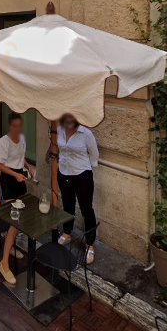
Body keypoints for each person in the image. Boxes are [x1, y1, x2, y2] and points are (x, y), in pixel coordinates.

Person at [52, 113, 99, 265]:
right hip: (64, 173)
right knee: (68, 206)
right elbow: (57, 149)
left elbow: (94, 155)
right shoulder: (58, 129)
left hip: (82, 175)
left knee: (86, 209)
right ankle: (67, 233)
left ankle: (90, 244)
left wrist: (85, 169)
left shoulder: (86, 133)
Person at [0, 112, 33, 285]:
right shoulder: (3, 142)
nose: (18, 129)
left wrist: (28, 166)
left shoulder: (21, 138)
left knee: (19, 217)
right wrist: (15, 175)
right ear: (10, 126)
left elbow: (20, 157)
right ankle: (4, 264)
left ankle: (11, 248)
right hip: (9, 180)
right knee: (14, 221)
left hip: (19, 177)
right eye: (15, 126)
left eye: (20, 126)